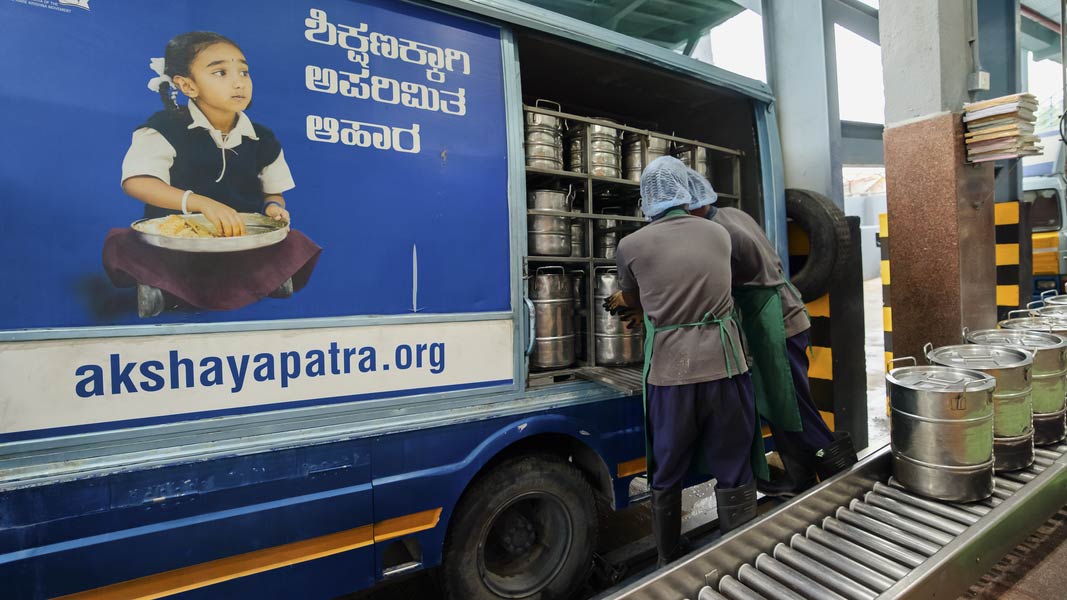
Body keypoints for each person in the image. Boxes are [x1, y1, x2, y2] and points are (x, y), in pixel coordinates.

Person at [605, 156, 762, 566]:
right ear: (685, 188)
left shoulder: (629, 246)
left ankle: (669, 557)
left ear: (646, 197)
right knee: (733, 460)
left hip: (669, 374)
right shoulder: (718, 234)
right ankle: (739, 554)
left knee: (667, 467)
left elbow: (635, 297)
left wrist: (637, 302)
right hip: (725, 367)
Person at [684, 169, 857, 496]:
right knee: (781, 407)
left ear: (693, 204)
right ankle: (799, 478)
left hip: (779, 325)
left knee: (795, 408)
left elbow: (722, 286)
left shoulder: (720, 232)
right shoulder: (730, 214)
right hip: (778, 320)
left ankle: (844, 480)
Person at [121, 31, 294, 237]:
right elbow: (138, 181)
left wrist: (273, 206)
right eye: (221, 73)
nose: (239, 83)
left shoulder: (263, 139)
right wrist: (201, 203)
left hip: (240, 241)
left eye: (243, 72)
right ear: (187, 85)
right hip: (176, 241)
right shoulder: (164, 128)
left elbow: (272, 192)